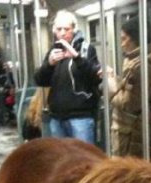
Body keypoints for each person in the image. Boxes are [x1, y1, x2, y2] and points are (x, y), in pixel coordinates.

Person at [34, 10, 101, 144]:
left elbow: (95, 77)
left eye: (67, 29)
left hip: (81, 117)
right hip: (57, 117)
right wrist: (49, 64)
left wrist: (77, 57)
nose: (63, 33)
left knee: (84, 159)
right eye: (59, 29)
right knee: (61, 161)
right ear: (54, 31)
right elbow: (40, 80)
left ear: (74, 30)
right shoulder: (53, 52)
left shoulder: (86, 49)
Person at [107, 16, 151, 158]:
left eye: (124, 39)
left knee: (126, 172)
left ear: (136, 39)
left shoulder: (142, 68)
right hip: (132, 129)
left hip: (132, 132)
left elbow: (129, 104)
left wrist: (110, 85)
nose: (121, 44)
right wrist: (115, 79)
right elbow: (130, 90)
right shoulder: (139, 61)